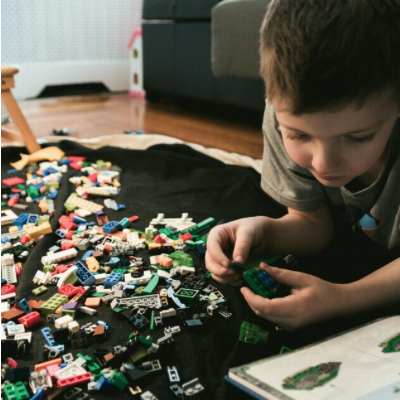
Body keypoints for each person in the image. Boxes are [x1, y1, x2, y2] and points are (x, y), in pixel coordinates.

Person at [205, 0, 400, 331]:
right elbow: (313, 223)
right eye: (298, 134)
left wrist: (343, 298)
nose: (324, 165)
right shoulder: (282, 112)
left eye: (357, 138)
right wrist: (266, 232)